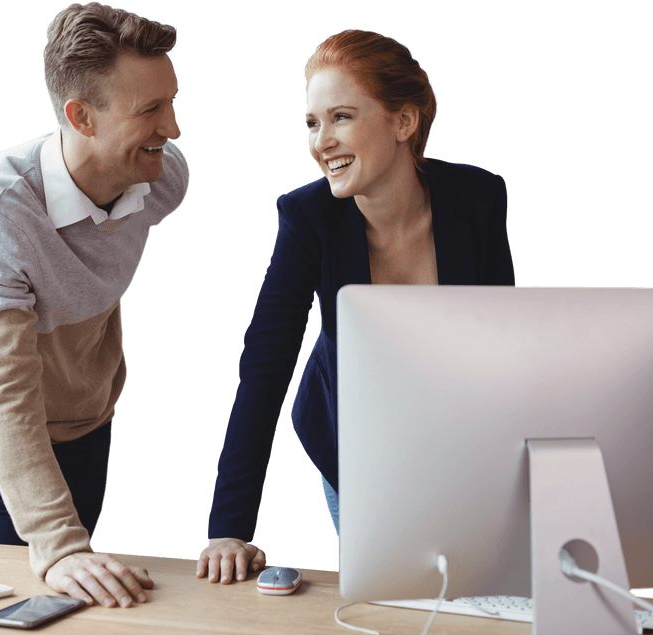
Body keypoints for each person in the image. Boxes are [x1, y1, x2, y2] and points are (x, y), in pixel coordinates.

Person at [197, 29, 515, 584]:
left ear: (403, 122)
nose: (322, 142)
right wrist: (229, 528)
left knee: (478, 595)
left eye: (341, 117)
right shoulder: (308, 219)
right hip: (358, 444)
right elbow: (265, 368)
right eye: (312, 124)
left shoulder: (478, 199)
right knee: (391, 598)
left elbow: (505, 343)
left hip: (458, 438)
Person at [0, 3, 187, 608]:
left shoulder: (160, 179)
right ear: (80, 116)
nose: (173, 129)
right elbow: (2, 385)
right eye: (150, 110)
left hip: (88, 416)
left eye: (171, 101)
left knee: (81, 599)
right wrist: (58, 543)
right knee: (20, 605)